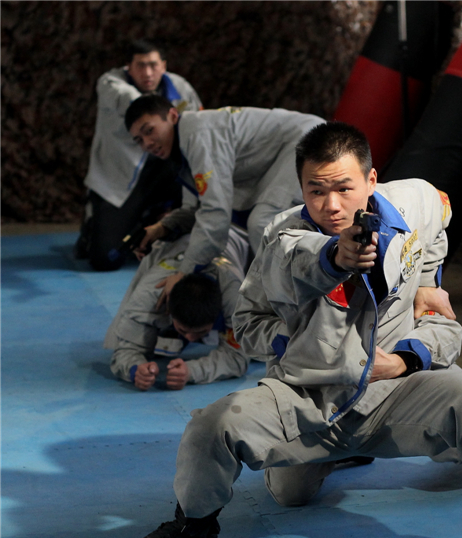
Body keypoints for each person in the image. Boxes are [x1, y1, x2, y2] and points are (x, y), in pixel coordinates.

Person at [122, 122, 462, 538]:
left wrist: (424, 284)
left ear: (372, 180)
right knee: (251, 460)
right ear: (300, 187)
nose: (331, 204)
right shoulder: (282, 237)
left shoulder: (416, 200)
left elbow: (441, 215)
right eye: (316, 190)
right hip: (306, 397)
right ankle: (195, 528)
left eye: (344, 187)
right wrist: (298, 329)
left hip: (393, 390)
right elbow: (252, 317)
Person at [123, 94, 325, 303]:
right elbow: (197, 209)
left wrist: (184, 273)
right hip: (297, 143)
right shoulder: (181, 152)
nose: (147, 143)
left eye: (149, 131)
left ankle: (301, 307)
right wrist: (161, 228)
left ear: (172, 116)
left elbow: (215, 214)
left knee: (264, 224)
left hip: (310, 141)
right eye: (139, 140)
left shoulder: (197, 134)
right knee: (262, 224)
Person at [77, 39, 202, 271]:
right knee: (105, 258)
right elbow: (135, 103)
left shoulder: (180, 87)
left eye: (153, 65)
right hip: (123, 180)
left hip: (167, 172)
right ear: (128, 67)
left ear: (163, 66)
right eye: (140, 65)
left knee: (198, 178)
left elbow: (200, 124)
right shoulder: (110, 84)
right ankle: (96, 221)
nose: (147, 72)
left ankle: (163, 216)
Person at [103, 225, 250, 391]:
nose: (191, 338)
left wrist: (192, 371)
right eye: (183, 330)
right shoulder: (150, 294)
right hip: (176, 244)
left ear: (218, 316)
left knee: (262, 350)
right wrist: (136, 369)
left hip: (235, 239)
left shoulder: (236, 298)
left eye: (201, 332)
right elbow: (126, 350)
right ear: (169, 312)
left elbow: (238, 358)